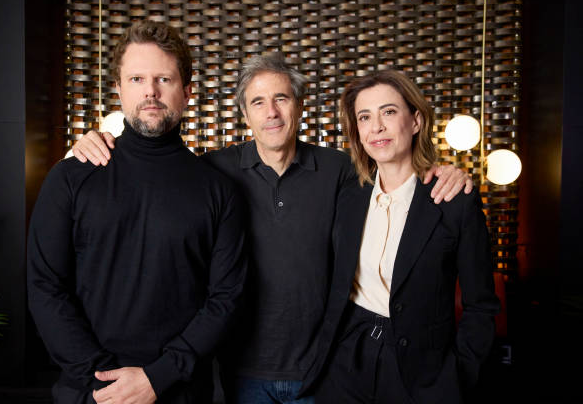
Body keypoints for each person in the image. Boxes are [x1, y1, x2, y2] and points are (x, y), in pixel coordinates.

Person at [71, 53, 473, 404]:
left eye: (281, 99)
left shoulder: (341, 170)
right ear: (244, 114)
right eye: (258, 103)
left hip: (322, 367)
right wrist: (95, 143)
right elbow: (156, 171)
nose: (271, 113)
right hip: (242, 370)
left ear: (298, 106)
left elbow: (396, 171)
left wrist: (442, 172)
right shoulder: (212, 171)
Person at [27, 20, 247, 404]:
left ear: (187, 92)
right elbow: (46, 287)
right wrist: (101, 383)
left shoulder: (218, 190)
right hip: (88, 394)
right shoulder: (71, 177)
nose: (150, 91)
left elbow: (226, 298)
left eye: (164, 79)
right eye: (136, 79)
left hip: (179, 392)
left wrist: (157, 378)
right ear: (118, 89)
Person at [300, 70, 501, 404]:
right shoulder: (346, 194)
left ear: (416, 121)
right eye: (364, 117)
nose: (376, 126)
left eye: (388, 112)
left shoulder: (453, 201)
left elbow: (482, 305)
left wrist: (459, 376)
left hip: (420, 372)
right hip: (346, 358)